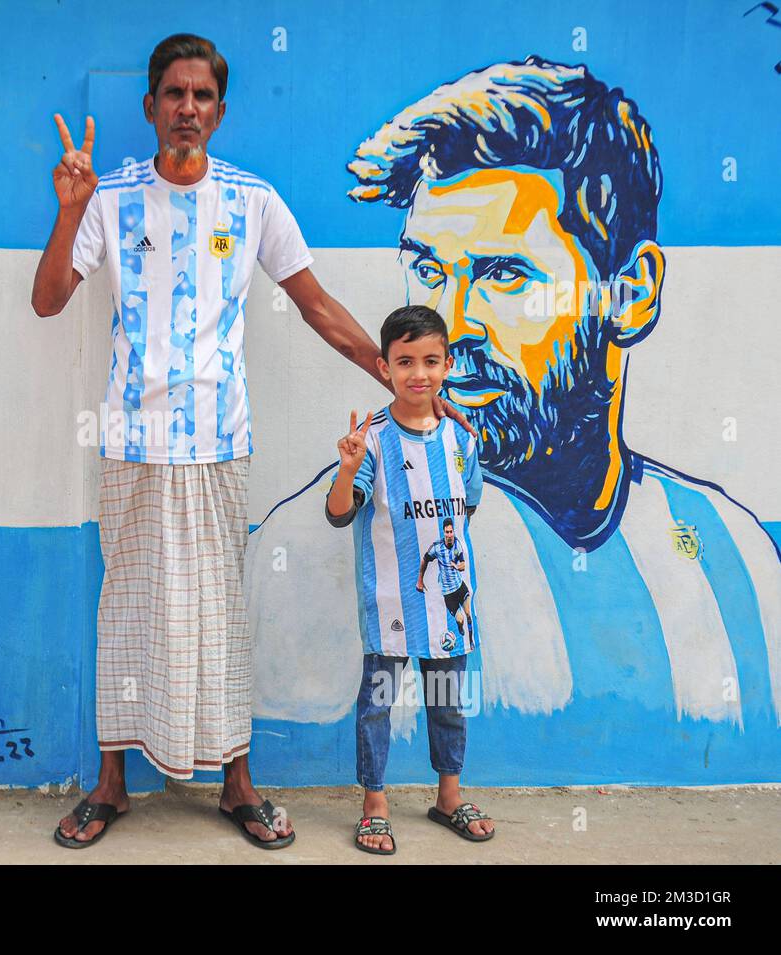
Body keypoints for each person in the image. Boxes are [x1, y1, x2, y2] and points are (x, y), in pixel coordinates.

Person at [248, 57, 780, 751]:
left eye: (504, 273)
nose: (448, 324)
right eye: (430, 270)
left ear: (631, 293)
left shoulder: (735, 555)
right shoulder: (299, 550)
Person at [32, 33, 472, 848]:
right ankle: (110, 784)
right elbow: (49, 299)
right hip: (131, 441)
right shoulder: (110, 196)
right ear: (151, 107)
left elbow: (316, 304)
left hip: (220, 444)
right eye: (174, 94)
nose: (188, 109)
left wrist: (399, 380)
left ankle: (237, 784)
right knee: (123, 611)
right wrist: (67, 210)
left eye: (202, 96)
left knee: (222, 613)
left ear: (220, 111)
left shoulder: (252, 201)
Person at [325, 305, 493, 854]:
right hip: (390, 603)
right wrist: (348, 469)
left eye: (430, 361)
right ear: (384, 367)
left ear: (446, 364)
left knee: (447, 701)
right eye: (404, 362)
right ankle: (375, 803)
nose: (418, 373)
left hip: (451, 609)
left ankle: (449, 795)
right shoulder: (371, 439)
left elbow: (464, 510)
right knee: (378, 701)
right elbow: (339, 513)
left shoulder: (463, 439)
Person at [419, 518, 472, 643]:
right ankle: (460, 626)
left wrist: (456, 566)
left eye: (451, 532)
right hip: (448, 592)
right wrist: (420, 580)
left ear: (453, 531)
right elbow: (425, 559)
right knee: (460, 619)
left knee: (468, 613)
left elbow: (463, 565)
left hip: (459, 586)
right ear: (444, 532)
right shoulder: (437, 547)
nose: (449, 535)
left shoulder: (457, 545)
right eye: (446, 532)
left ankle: (471, 640)